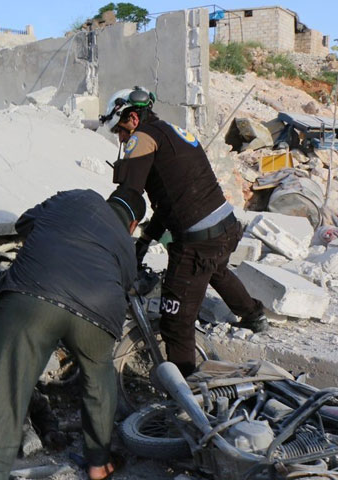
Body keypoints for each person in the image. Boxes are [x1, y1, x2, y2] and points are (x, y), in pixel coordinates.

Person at [0, 187, 146, 480]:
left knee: (4, 390)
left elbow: (25, 223)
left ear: (107, 199)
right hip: (97, 311)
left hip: (33, 294)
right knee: (99, 380)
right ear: (133, 224)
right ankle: (98, 464)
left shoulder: (78, 197)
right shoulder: (126, 242)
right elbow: (125, 281)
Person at [100, 86, 268, 377]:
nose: (121, 137)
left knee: (176, 321)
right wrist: (145, 239)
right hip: (225, 227)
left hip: (198, 242)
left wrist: (110, 235)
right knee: (216, 269)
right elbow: (169, 201)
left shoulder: (142, 139)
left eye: (120, 130)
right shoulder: (171, 132)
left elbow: (130, 195)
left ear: (132, 118)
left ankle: (186, 396)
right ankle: (254, 314)